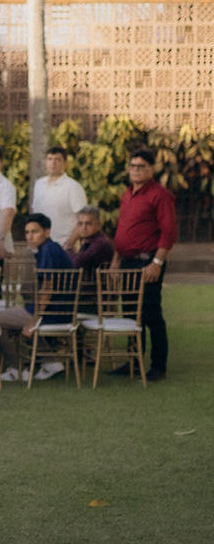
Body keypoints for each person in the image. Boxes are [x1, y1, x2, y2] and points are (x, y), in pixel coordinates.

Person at [111, 148, 176, 381]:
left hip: (147, 263)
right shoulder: (128, 193)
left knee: (150, 314)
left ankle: (159, 367)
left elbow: (169, 232)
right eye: (132, 166)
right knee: (130, 316)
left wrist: (157, 262)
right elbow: (122, 230)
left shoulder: (160, 195)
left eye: (141, 166)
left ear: (152, 169)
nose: (135, 170)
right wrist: (115, 261)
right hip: (127, 262)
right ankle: (133, 363)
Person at [0, 213, 75, 381]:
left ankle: (17, 369)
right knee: (8, 315)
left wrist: (33, 322)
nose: (30, 237)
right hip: (59, 311)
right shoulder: (50, 249)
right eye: (27, 232)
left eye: (35, 232)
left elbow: (47, 289)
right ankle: (50, 362)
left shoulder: (48, 250)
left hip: (53, 313)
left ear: (46, 232)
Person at [32, 146, 87, 249]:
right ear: (45, 161)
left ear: (65, 163)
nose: (53, 163)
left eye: (57, 160)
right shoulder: (39, 184)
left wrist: (69, 245)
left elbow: (82, 220)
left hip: (63, 248)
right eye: (50, 159)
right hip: (41, 247)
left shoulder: (73, 187)